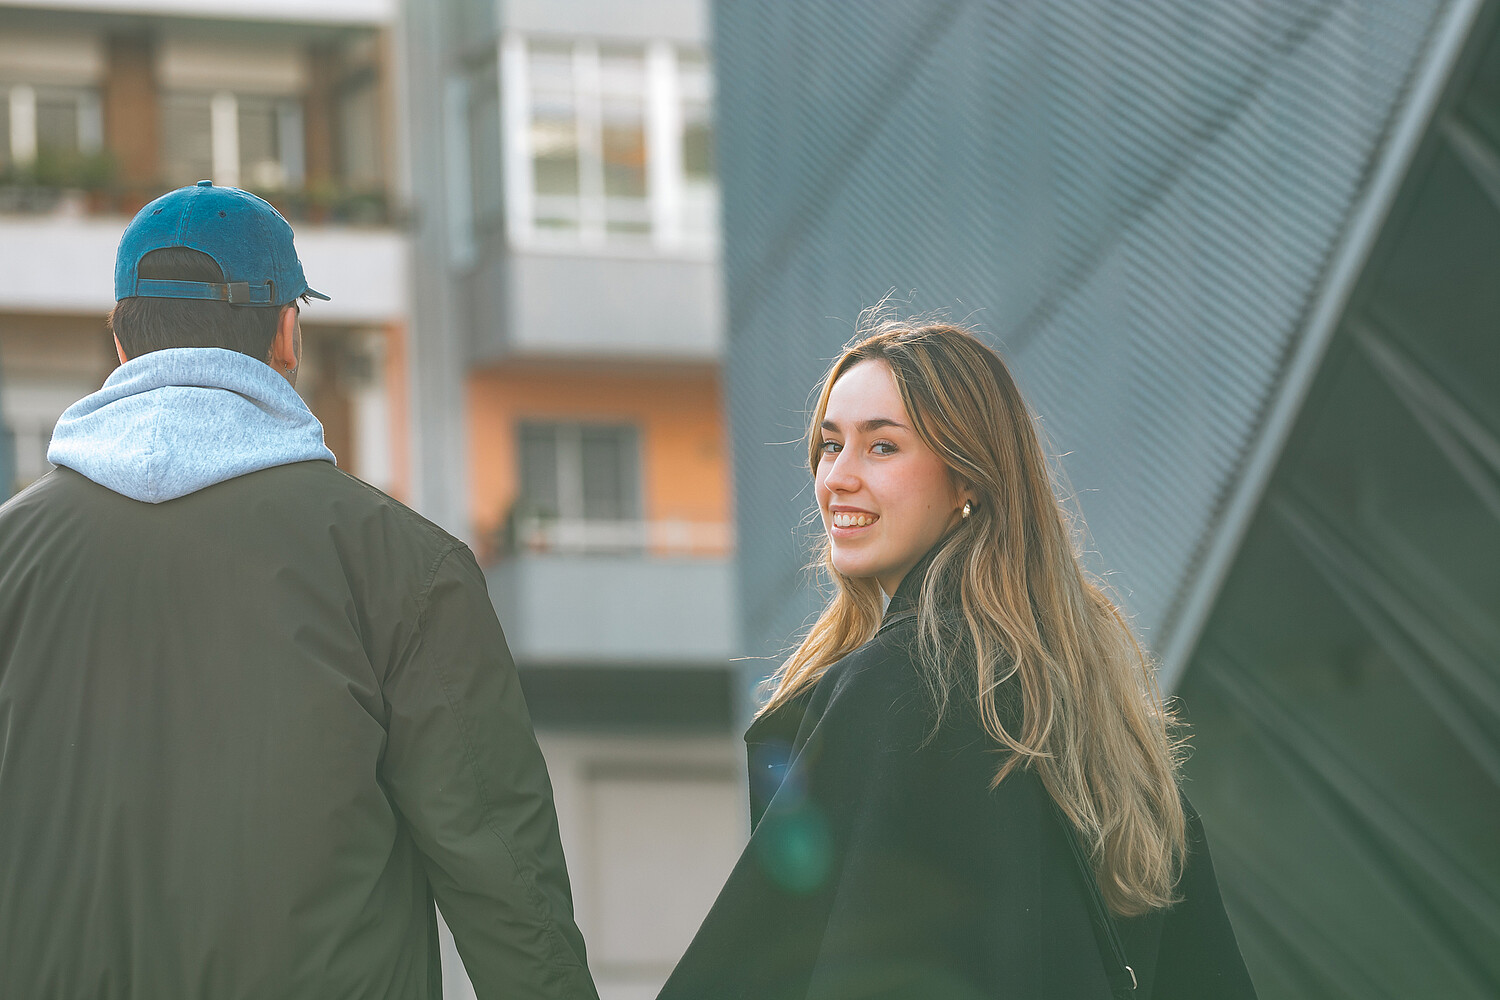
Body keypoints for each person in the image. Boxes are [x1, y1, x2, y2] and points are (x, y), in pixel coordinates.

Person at [0, 182, 599, 1000]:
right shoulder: (403, 566)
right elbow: (505, 878)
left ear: (120, 338)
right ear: (287, 331)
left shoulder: (11, 556)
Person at [658, 320, 1257, 999]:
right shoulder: (1094, 715)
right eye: (829, 446)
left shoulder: (901, 690)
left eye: (882, 445)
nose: (837, 478)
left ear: (966, 476)